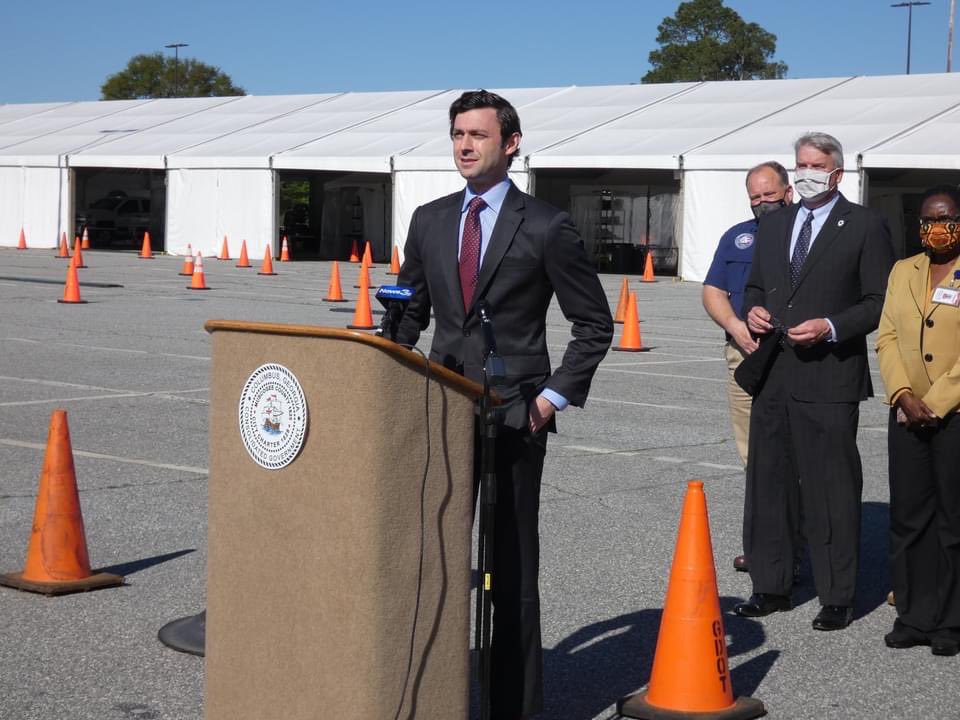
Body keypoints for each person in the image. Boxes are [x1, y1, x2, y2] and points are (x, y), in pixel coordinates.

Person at [393, 90, 614, 718]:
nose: (464, 145)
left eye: (478, 135)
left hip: (515, 413)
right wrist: (387, 370)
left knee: (510, 566)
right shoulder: (431, 219)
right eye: (457, 134)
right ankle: (433, 692)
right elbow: (408, 310)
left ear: (510, 144)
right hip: (439, 409)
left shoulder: (545, 224)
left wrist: (549, 400)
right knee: (432, 553)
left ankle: (513, 705)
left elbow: (594, 323)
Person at [733, 132, 896, 631]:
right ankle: (771, 584)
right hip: (774, 372)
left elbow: (877, 301)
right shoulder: (776, 221)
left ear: (837, 173)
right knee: (769, 481)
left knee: (830, 487)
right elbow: (756, 284)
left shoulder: (866, 225)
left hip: (829, 375)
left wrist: (830, 326)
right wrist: (753, 309)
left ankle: (837, 593)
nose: (805, 173)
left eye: (815, 165)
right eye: (799, 164)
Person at [876, 185, 960, 656]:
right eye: (928, 220)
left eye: (946, 218)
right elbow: (887, 336)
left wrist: (937, 400)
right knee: (909, 518)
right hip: (907, 413)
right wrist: (904, 394)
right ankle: (913, 613)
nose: (936, 228)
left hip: (954, 415)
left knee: (953, 520)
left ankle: (951, 620)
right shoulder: (902, 271)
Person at [702, 162, 793, 573]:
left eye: (768, 196)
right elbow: (713, 290)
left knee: (793, 455)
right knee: (752, 455)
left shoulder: (807, 236)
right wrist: (735, 327)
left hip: (793, 358)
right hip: (744, 357)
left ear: (788, 192)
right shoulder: (737, 238)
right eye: (754, 197)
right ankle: (763, 547)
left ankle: (794, 545)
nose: (761, 204)